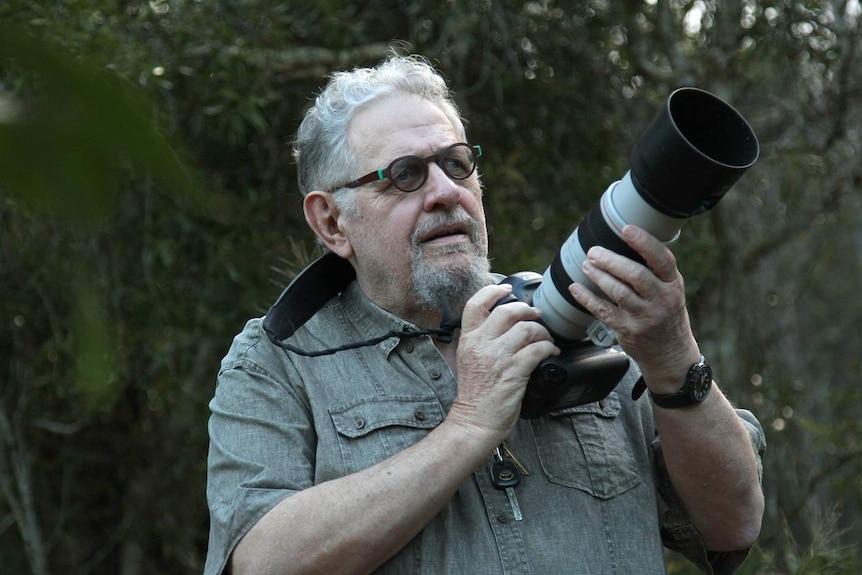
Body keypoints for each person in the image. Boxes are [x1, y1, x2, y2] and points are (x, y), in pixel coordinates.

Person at [204, 54, 766, 575]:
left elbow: (732, 525)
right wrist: (468, 424)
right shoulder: (276, 363)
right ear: (331, 223)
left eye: (456, 163)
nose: (446, 191)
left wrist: (673, 358)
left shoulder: (582, 318)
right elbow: (259, 559)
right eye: (405, 174)